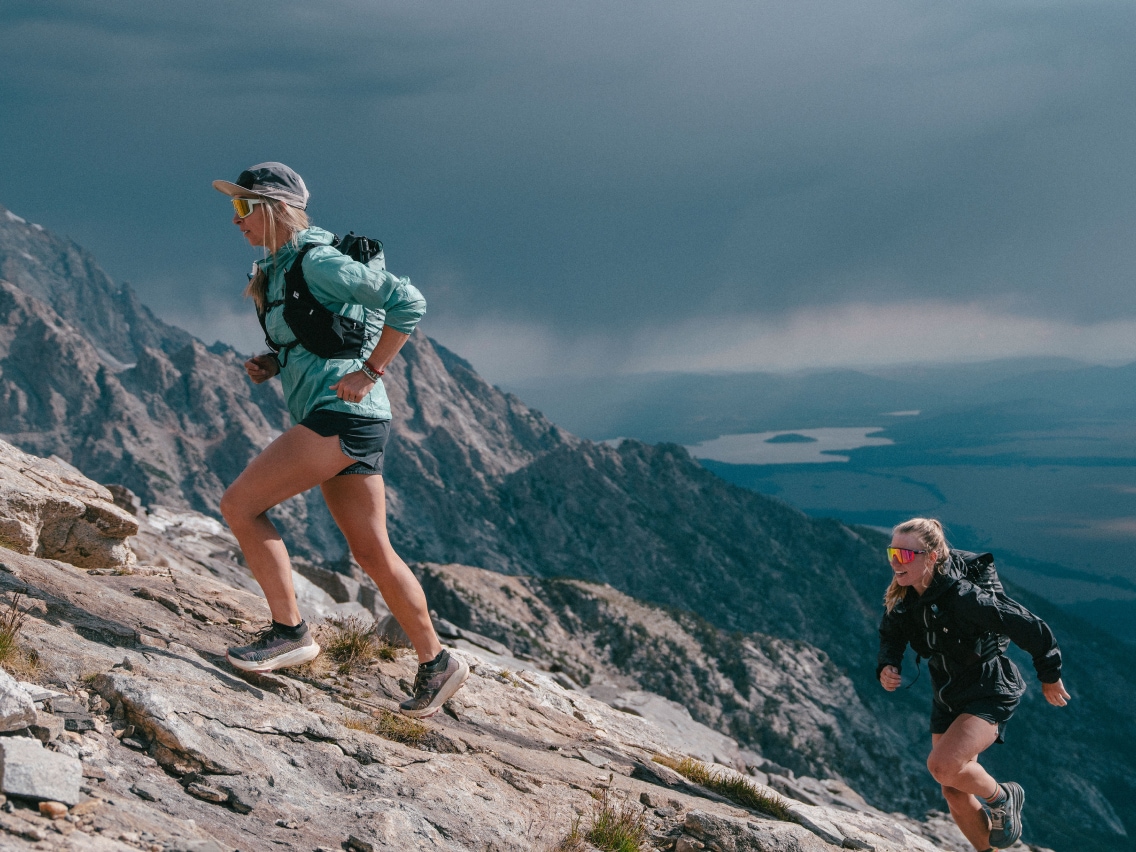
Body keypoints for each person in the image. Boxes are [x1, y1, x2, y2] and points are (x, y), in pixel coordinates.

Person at [211, 162, 468, 718]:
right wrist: (273, 363)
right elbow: (319, 337)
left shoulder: (317, 261)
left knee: (240, 505)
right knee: (371, 550)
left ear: (275, 209)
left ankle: (289, 633)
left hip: (343, 416)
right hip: (353, 419)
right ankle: (438, 662)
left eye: (243, 206)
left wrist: (370, 372)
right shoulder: (278, 269)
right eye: (234, 206)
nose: (235, 218)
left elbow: (408, 302)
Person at [877, 518, 1069, 852]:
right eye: (892, 552)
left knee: (942, 766)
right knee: (953, 789)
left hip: (988, 689)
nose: (895, 561)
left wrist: (1049, 674)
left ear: (932, 556)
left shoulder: (964, 597)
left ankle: (1003, 796)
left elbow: (1026, 624)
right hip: (946, 694)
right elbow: (891, 635)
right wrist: (888, 664)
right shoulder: (905, 598)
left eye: (905, 555)